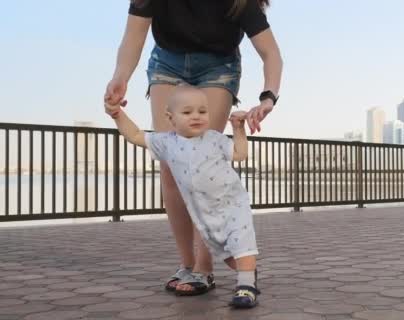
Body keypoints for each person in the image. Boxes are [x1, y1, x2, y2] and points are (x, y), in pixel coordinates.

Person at [104, 0, 282, 296]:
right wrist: (121, 76)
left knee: (201, 161)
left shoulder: (240, 3)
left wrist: (268, 97)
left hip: (218, 67)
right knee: (171, 164)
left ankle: (204, 267)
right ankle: (187, 263)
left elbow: (271, 54)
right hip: (166, 63)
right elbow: (133, 38)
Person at [105, 85, 261, 308]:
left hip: (232, 203)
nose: (196, 116)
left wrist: (238, 128)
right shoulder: (167, 142)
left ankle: (246, 287)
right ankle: (249, 273)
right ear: (171, 118)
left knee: (241, 243)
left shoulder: (214, 139)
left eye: (202, 111)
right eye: (187, 112)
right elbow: (135, 135)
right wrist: (117, 114)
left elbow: (241, 154)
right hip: (204, 212)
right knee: (227, 254)